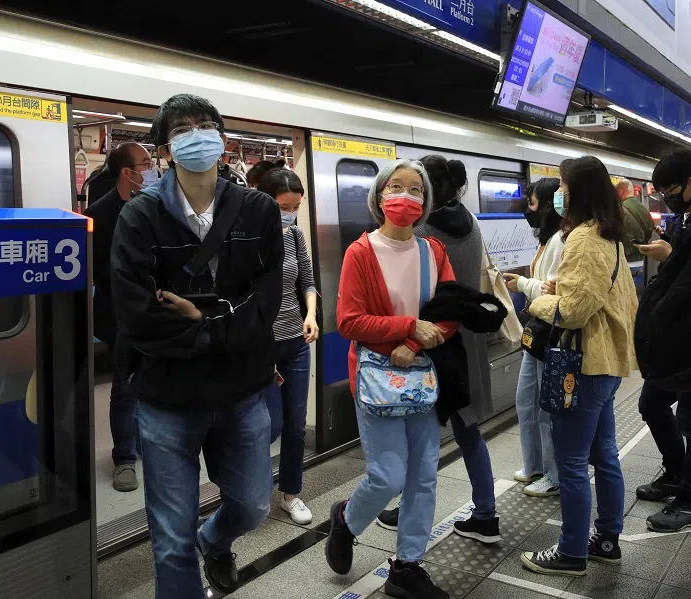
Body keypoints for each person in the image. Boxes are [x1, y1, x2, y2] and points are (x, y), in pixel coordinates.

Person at [111, 94, 282, 598]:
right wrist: (227, 324)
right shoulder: (140, 218)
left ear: (224, 141)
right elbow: (137, 314)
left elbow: (267, 301)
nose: (197, 135)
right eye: (183, 129)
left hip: (241, 392)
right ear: (166, 148)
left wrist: (202, 320)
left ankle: (216, 539)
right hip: (167, 398)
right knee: (169, 537)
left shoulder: (259, 211)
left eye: (206, 125)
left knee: (252, 505)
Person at [326, 159, 456, 599]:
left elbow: (450, 312)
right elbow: (348, 320)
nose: (406, 196)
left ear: (425, 201)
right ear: (380, 196)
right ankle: (346, 520)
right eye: (396, 187)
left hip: (420, 376)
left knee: (423, 474)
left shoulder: (433, 251)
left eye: (415, 189)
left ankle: (407, 565)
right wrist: (404, 328)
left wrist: (417, 344)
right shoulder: (360, 252)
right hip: (377, 379)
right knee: (387, 475)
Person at [372, 155, 502, 543]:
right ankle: (486, 514)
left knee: (418, 432)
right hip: (467, 339)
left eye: (413, 188)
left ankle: (407, 510)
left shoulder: (422, 231)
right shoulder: (471, 222)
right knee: (468, 430)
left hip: (433, 341)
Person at [520, 156, 638, 576]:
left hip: (584, 362)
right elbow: (607, 299)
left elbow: (571, 312)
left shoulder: (584, 239)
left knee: (571, 460)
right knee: (604, 453)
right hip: (605, 363)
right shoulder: (612, 236)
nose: (559, 194)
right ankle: (606, 538)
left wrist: (539, 299)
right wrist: (562, 291)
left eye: (564, 187)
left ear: (578, 191)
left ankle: (571, 552)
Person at [630, 150, 691, 532]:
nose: (667, 199)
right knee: (651, 403)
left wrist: (670, 255)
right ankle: (675, 471)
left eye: (671, 191)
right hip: (678, 340)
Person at [84, 142, 157, 493]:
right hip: (119, 314)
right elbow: (96, 272)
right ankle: (124, 457)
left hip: (157, 310)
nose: (153, 168)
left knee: (152, 381)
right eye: (145, 164)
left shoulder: (159, 207)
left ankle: (144, 441)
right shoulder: (98, 215)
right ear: (128, 173)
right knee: (125, 386)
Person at [257, 168, 319, 524]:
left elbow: (307, 282)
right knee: (269, 426)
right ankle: (254, 488)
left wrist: (310, 314)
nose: (290, 213)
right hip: (261, 347)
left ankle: (290, 493)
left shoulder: (294, 235)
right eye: (284, 206)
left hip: (296, 342)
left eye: (295, 206)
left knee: (296, 426)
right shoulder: (248, 238)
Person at [503, 177, 563, 497]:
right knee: (526, 400)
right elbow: (545, 285)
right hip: (536, 330)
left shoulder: (561, 242)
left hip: (549, 332)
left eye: (533, 202)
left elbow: (555, 290)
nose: (528, 208)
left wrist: (524, 285)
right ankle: (535, 465)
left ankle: (553, 475)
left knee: (546, 407)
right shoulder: (546, 238)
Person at [618, 178, 654, 262]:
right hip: (642, 257)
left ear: (620, 192)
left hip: (626, 259)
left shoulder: (619, 210)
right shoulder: (644, 209)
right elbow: (650, 230)